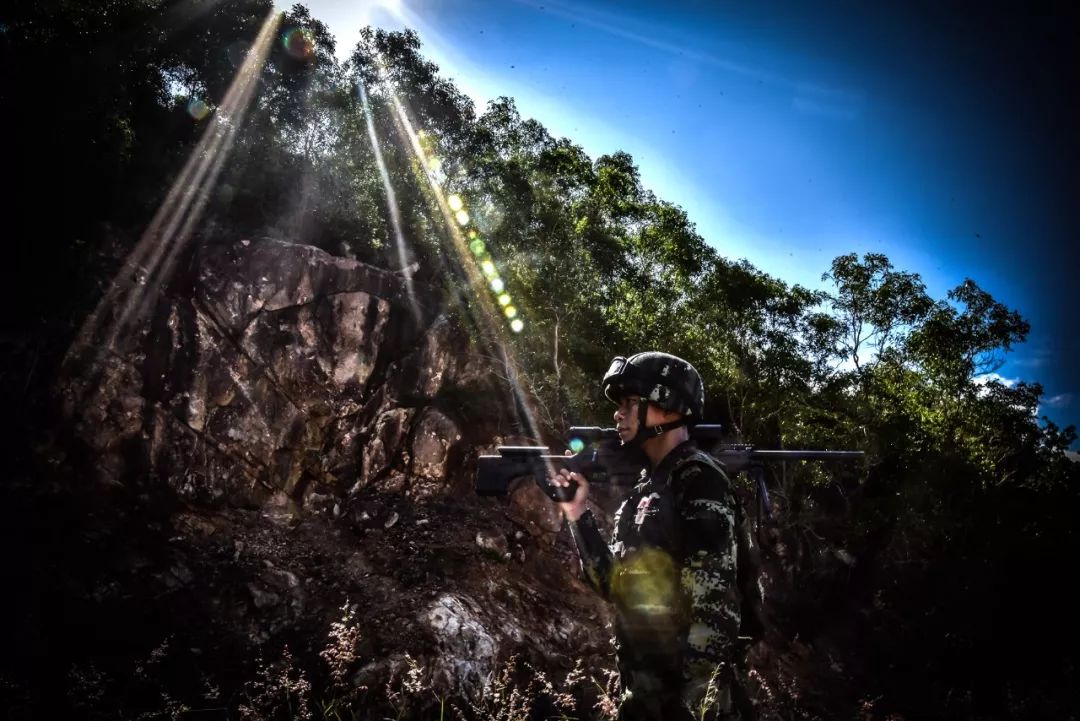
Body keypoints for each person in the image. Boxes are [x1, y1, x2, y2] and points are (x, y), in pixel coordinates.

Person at [550, 352, 744, 721]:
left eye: (630, 403)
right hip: (642, 704)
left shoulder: (698, 480)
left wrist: (695, 705)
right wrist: (578, 514)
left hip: (682, 707)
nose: (618, 414)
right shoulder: (647, 487)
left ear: (669, 409)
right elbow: (613, 586)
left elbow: (714, 610)